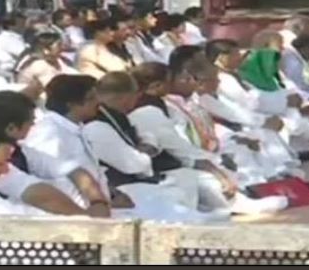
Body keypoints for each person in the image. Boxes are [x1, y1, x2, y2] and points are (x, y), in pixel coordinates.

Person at [26, 74, 208, 223]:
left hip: (104, 202)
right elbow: (54, 181)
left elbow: (93, 170)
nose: (98, 103)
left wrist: (111, 192)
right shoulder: (49, 133)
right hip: (82, 213)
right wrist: (102, 203)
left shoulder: (74, 127)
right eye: (91, 99)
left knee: (174, 206)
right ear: (71, 105)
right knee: (167, 217)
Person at [129, 62, 287, 215]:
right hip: (163, 169)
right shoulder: (148, 111)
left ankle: (244, 192)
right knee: (205, 176)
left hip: (183, 156)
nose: (172, 87)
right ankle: (236, 203)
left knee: (223, 160)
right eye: (169, 82)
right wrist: (214, 169)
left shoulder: (162, 105)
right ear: (156, 87)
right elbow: (181, 150)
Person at [83, 72, 215, 218]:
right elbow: (135, 165)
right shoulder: (95, 126)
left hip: (131, 180)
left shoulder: (116, 117)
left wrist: (145, 146)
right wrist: (147, 147)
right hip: (118, 187)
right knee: (174, 194)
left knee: (185, 181)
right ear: (128, 97)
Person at [0, 91, 111, 217]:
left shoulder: (20, 150)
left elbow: (73, 170)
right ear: (11, 128)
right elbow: (39, 195)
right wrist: (88, 219)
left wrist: (97, 201)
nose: (33, 127)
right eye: (31, 122)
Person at [0, 13, 28, 78]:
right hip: (6, 72)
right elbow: (26, 54)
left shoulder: (12, 37)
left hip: (12, 70)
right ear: (11, 26)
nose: (24, 27)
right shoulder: (8, 38)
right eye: (21, 24)